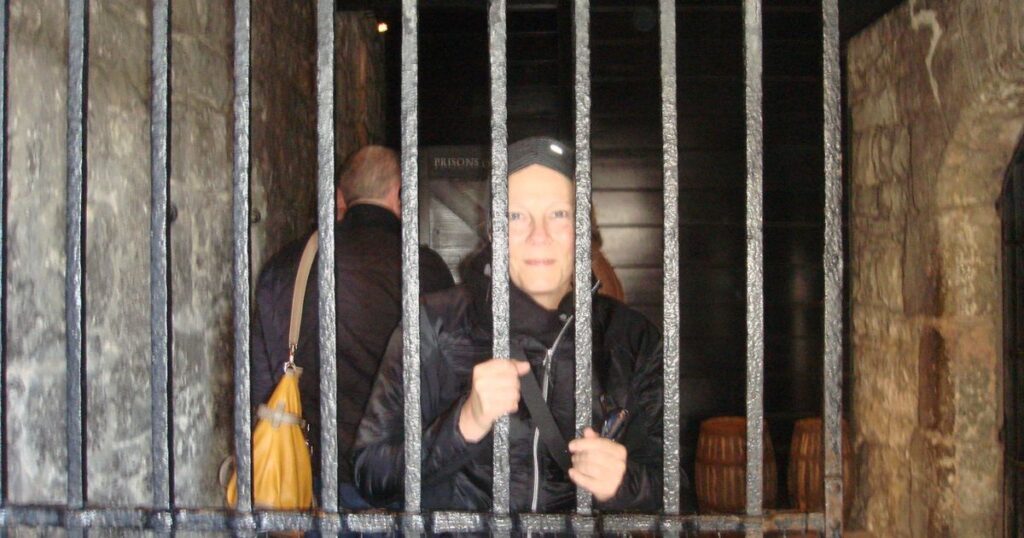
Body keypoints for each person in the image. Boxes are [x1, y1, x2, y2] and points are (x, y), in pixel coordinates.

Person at [354, 136, 677, 513]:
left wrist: (626, 484)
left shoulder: (633, 341)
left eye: (559, 214)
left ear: (583, 231)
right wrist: (463, 425)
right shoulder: (434, 325)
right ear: (493, 232)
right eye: (516, 216)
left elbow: (675, 489)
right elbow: (369, 473)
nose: (538, 236)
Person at [251, 145, 454, 509]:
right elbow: (449, 377)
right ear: (399, 195)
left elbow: (262, 378)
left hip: (313, 476)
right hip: (398, 474)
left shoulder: (288, 265)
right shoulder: (427, 270)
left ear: (341, 197)